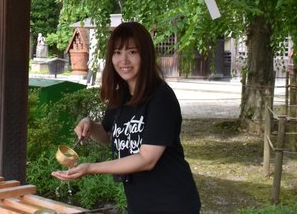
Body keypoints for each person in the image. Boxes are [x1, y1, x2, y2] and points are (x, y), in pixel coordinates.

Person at [52, 21, 201, 214]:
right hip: (140, 202)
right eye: (117, 52)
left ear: (145, 55)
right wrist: (89, 124)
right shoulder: (121, 95)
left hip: (172, 202)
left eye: (132, 52)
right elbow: (107, 135)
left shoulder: (161, 98)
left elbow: (147, 159)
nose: (124, 60)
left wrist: (90, 168)